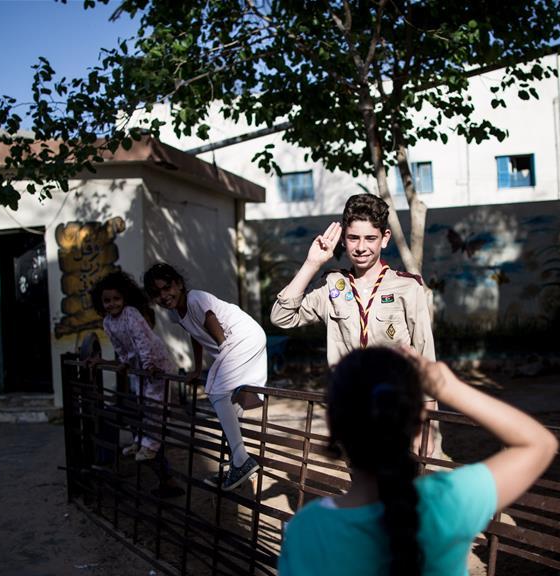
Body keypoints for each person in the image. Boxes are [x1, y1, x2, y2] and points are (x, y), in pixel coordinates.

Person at [277, 346, 558, 576]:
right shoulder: (448, 502)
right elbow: (539, 444)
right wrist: (448, 388)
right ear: (420, 422)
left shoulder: (306, 531)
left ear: (333, 423)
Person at [271, 193, 434, 366]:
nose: (361, 248)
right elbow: (282, 317)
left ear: (384, 238)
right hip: (346, 391)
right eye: (353, 238)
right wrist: (311, 264)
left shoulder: (407, 287)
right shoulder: (331, 285)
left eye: (370, 238)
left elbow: (426, 355)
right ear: (343, 239)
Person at [144, 263, 266, 491]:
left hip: (241, 339)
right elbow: (195, 333)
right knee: (230, 403)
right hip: (239, 342)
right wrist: (198, 368)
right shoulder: (175, 312)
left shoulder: (195, 299)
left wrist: (223, 357)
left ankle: (241, 460)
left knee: (216, 391)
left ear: (179, 284)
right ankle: (237, 463)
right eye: (157, 293)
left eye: (167, 287)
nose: (164, 295)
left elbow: (213, 325)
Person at [89, 271, 175, 462]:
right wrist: (125, 363)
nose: (112, 304)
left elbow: (143, 342)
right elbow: (120, 347)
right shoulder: (108, 322)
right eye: (107, 301)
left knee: (154, 406)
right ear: (100, 303)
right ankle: (139, 441)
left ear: (125, 298)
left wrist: (148, 365)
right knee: (141, 404)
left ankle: (151, 446)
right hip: (138, 367)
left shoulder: (131, 314)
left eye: (116, 299)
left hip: (155, 364)